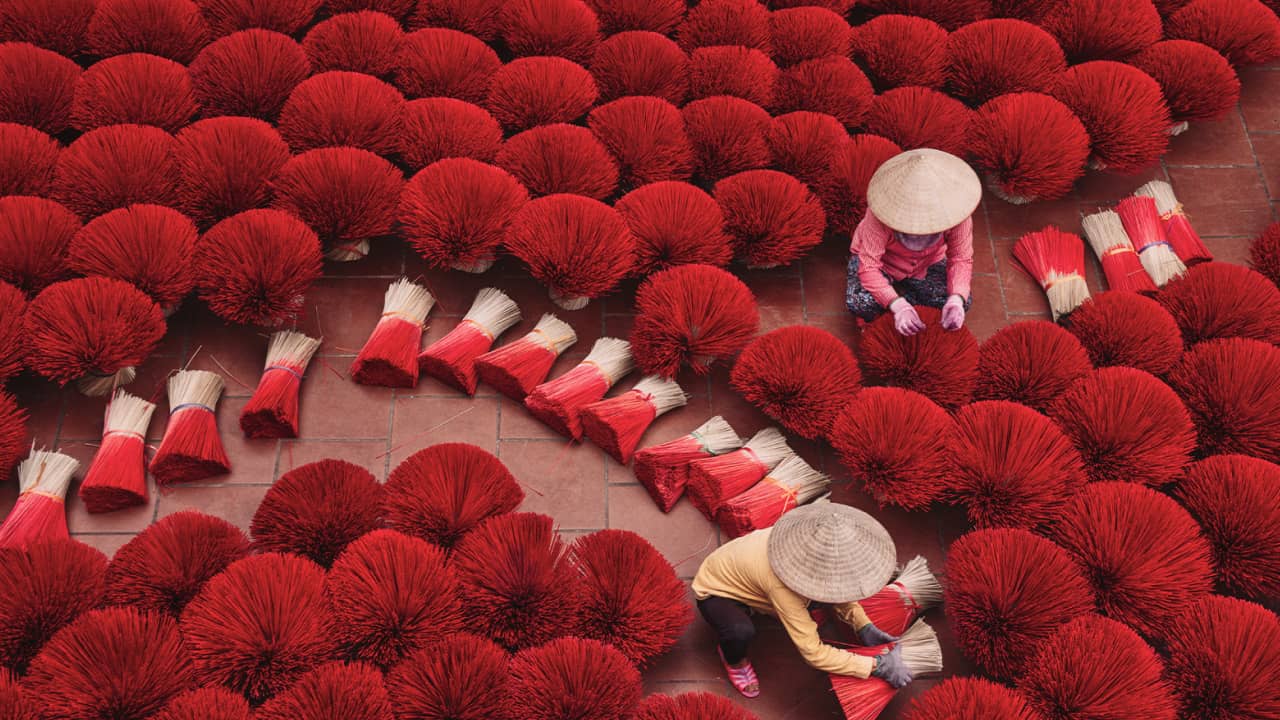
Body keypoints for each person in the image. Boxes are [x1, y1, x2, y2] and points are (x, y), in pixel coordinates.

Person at [691, 503, 911, 698]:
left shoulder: (809, 537)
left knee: (813, 601)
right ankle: (734, 660)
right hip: (718, 592)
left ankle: (758, 606)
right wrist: (876, 666)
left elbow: (838, 582)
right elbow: (813, 654)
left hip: (752, 580)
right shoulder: (782, 586)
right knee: (739, 632)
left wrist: (863, 625)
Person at [846, 148, 983, 337]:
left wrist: (955, 299)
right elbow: (869, 267)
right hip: (883, 265)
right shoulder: (878, 215)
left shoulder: (958, 216)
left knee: (962, 301)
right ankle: (895, 305)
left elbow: (961, 259)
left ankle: (904, 303)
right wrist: (899, 305)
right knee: (859, 302)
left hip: (928, 265)